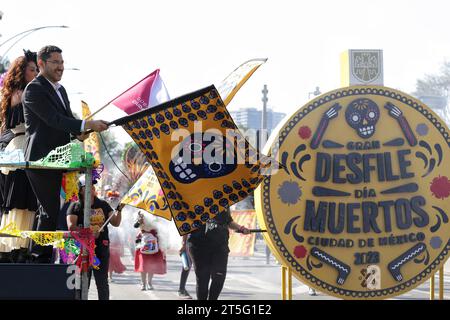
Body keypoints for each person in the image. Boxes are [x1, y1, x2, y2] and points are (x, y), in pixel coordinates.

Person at [22, 45, 109, 263]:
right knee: (50, 212)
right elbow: (54, 120)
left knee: (52, 211)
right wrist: (86, 123)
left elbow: (66, 122)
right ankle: (37, 260)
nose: (60, 67)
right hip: (41, 160)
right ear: (41, 64)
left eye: (62, 62)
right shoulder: (34, 89)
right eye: (55, 62)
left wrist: (80, 134)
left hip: (61, 158)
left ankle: (42, 258)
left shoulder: (60, 90)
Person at [0, 50, 39, 263]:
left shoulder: (18, 92)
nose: (35, 73)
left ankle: (20, 246)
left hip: (24, 148)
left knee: (26, 201)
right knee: (18, 201)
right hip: (20, 148)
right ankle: (15, 246)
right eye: (32, 69)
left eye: (36, 69)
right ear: (21, 71)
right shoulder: (21, 93)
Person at [66, 176, 123, 300]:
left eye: (93, 185)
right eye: (88, 185)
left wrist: (119, 210)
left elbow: (115, 222)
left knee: (102, 283)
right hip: (82, 250)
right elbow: (71, 226)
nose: (92, 187)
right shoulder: (75, 206)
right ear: (81, 190)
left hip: (101, 249)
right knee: (81, 283)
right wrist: (89, 232)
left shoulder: (102, 204)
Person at [187, 207, 250, 300]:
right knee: (203, 279)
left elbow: (228, 221)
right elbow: (184, 224)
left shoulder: (223, 199)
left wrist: (241, 228)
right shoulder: (193, 200)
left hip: (220, 246)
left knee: (219, 277)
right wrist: (183, 243)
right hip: (199, 246)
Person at [134, 211, 166, 291]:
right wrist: (140, 220)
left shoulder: (157, 214)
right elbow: (135, 226)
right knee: (143, 265)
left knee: (152, 265)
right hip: (143, 243)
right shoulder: (140, 213)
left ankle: (149, 283)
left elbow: (161, 229)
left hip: (154, 243)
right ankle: (143, 284)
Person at [178, 234, 192, 299]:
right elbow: (185, 229)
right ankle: (181, 289)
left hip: (205, 243)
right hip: (191, 242)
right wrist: (183, 244)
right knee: (187, 266)